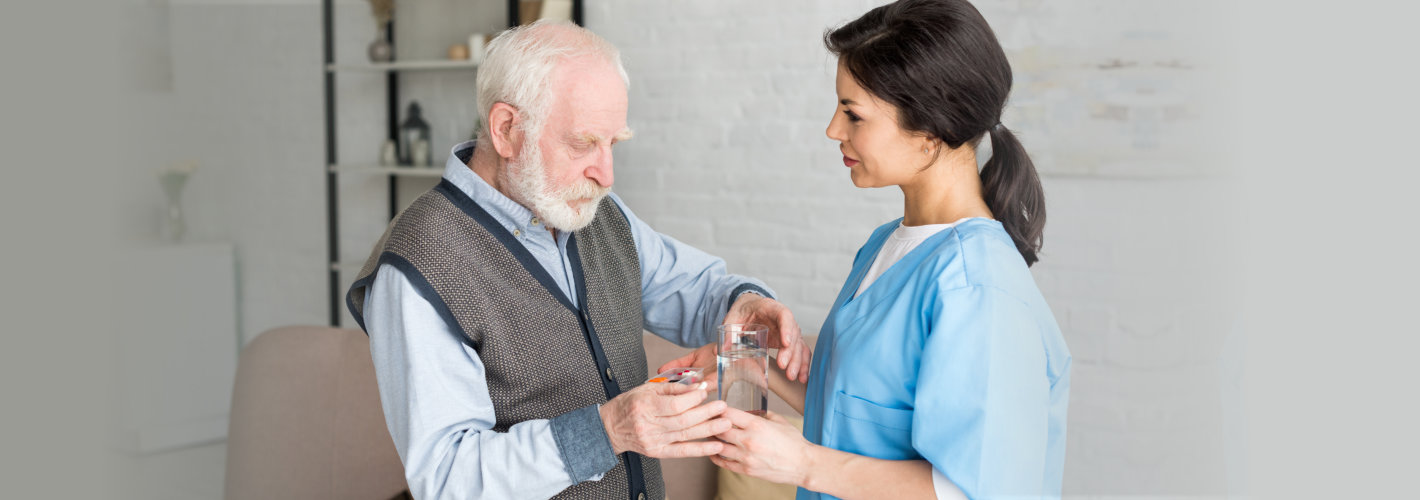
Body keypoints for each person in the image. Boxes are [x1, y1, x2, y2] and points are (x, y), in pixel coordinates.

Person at [346, 21, 813, 500]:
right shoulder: (418, 266)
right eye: (583, 143)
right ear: (506, 130)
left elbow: (693, 290)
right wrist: (611, 429)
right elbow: (448, 479)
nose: (606, 174)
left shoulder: (589, 209)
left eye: (614, 143)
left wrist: (746, 301)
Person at [691, 1, 1073, 498]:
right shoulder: (885, 245)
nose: (833, 129)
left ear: (931, 132)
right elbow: (860, 421)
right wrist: (748, 362)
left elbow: (971, 489)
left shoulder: (978, 286)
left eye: (853, 114)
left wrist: (803, 463)